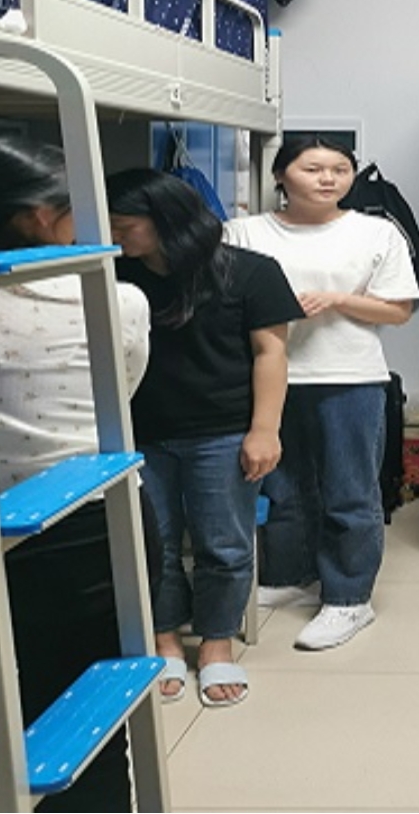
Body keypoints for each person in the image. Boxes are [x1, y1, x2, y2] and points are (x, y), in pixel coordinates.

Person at [0, 137, 152, 809]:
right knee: (80, 719)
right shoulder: (113, 301)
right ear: (36, 216)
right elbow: (120, 393)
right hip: (91, 525)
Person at [107, 168, 304, 706]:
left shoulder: (250, 272)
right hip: (141, 431)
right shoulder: (115, 275)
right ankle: (165, 640)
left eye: (124, 224)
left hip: (223, 430)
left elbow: (271, 353)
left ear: (166, 220)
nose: (115, 235)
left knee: (224, 543)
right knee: (155, 544)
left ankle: (217, 644)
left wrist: (265, 429)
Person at [224, 136, 419, 651]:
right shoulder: (243, 232)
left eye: (340, 169)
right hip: (269, 377)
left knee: (350, 490)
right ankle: (293, 575)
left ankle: (350, 598)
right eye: (313, 168)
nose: (329, 178)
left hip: (349, 376)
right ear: (281, 175)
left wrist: (337, 300)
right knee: (282, 488)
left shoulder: (374, 232)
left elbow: (399, 309)